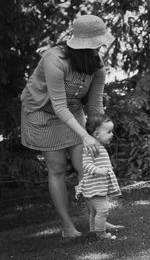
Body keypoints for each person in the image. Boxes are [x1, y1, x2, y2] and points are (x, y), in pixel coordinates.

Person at [21, 14, 118, 238]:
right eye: (96, 45)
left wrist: (99, 131)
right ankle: (67, 227)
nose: (99, 49)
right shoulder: (53, 59)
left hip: (71, 111)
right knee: (56, 168)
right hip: (42, 113)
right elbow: (57, 105)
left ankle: (98, 220)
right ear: (83, 46)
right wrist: (84, 136)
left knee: (86, 164)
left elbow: (95, 106)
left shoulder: (97, 65)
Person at [76, 114, 123, 239]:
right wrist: (99, 171)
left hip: (98, 186)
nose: (111, 134)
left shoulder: (99, 147)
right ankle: (101, 233)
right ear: (96, 134)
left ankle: (94, 231)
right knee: (103, 210)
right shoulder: (90, 148)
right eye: (108, 132)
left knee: (94, 212)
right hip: (94, 186)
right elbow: (86, 164)